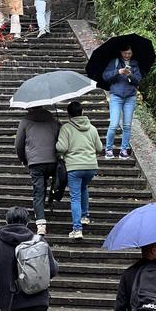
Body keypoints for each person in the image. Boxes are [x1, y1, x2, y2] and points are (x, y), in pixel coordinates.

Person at [55, 100, 102, 239]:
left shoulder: (66, 128)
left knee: (75, 196)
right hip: (91, 166)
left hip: (74, 167)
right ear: (82, 112)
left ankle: (77, 229)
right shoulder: (92, 128)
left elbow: (61, 148)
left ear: (69, 114)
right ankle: (85, 216)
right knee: (84, 188)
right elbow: (99, 148)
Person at [15, 107, 60, 237]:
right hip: (52, 160)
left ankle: (41, 225)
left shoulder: (25, 121)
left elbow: (18, 144)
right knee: (52, 183)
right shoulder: (52, 120)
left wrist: (24, 159)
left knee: (38, 191)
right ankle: (51, 199)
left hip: (35, 162)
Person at [103, 47, 142, 159]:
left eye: (129, 53)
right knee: (114, 124)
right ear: (121, 52)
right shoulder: (115, 62)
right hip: (116, 95)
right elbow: (106, 76)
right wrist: (118, 71)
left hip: (130, 97)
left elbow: (138, 80)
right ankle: (108, 149)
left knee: (127, 125)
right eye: (125, 53)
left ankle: (123, 150)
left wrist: (130, 75)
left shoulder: (134, 64)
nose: (127, 55)